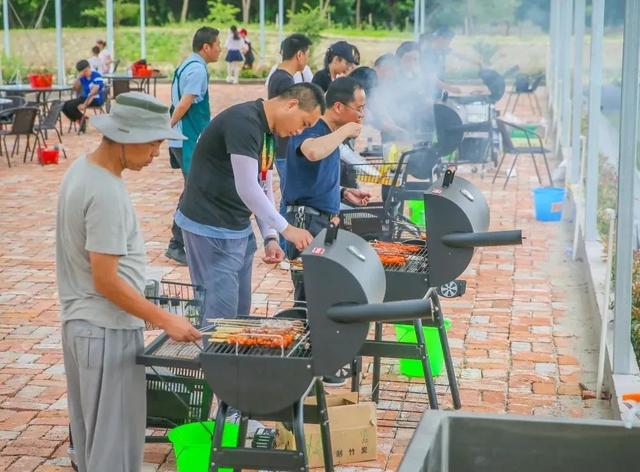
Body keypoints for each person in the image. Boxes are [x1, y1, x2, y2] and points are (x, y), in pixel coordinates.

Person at [56, 92, 201, 472]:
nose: (156, 153)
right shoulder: (105, 191)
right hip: (106, 329)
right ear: (127, 137)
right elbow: (106, 280)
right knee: (114, 452)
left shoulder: (80, 170)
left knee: (93, 444)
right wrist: (165, 319)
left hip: (83, 327)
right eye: (153, 142)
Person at [175, 83, 325, 320]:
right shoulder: (244, 122)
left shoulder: (268, 133)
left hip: (238, 229)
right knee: (219, 319)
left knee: (238, 314)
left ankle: (228, 357)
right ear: (292, 104)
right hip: (210, 229)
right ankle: (214, 357)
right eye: (304, 123)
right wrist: (286, 229)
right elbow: (247, 187)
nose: (300, 131)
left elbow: (263, 184)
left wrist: (270, 237)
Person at [283, 77, 371, 284]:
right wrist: (345, 131)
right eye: (359, 108)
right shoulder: (311, 126)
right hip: (306, 221)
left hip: (323, 219)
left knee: (324, 289)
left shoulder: (331, 134)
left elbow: (313, 175)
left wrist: (342, 192)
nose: (362, 114)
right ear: (338, 106)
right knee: (310, 293)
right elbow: (312, 151)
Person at [165, 27, 221, 266]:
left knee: (194, 191)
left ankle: (188, 243)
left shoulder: (187, 64)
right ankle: (177, 244)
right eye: (218, 44)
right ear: (205, 47)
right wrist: (167, 128)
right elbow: (185, 103)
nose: (221, 49)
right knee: (194, 193)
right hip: (189, 140)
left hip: (183, 139)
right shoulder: (197, 69)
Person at [266, 33, 313, 253]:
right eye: (307, 54)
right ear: (299, 54)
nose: (307, 60)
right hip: (285, 146)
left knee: (287, 196)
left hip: (283, 145)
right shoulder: (284, 80)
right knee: (289, 199)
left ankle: (284, 246)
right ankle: (284, 247)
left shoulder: (280, 76)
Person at [62, 60, 105, 133]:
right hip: (85, 97)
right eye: (82, 72)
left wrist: (85, 104)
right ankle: (82, 119)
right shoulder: (83, 77)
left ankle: (82, 120)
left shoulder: (97, 76)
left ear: (89, 67)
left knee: (70, 107)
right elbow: (75, 88)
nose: (85, 73)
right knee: (64, 106)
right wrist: (78, 77)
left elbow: (94, 93)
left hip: (96, 99)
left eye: (86, 71)